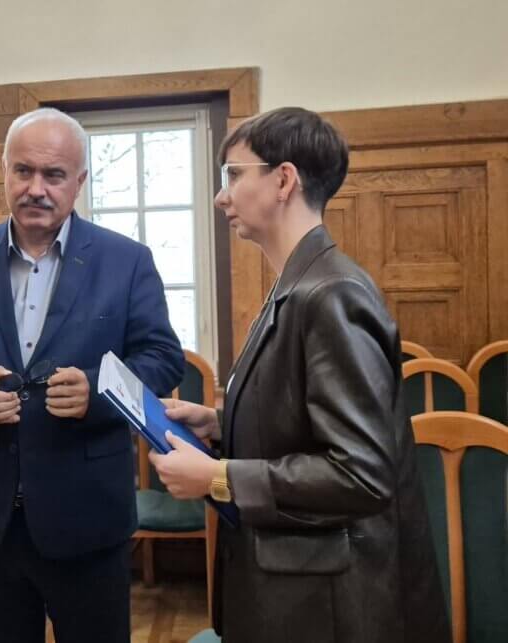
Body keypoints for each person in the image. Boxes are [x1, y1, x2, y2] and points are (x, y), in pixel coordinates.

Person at [149, 107, 450, 643]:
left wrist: (218, 477)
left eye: (234, 175)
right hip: (300, 586)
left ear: (284, 180)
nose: (221, 197)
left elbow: (359, 473)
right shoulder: (300, 282)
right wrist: (220, 423)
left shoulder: (331, 293)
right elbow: (305, 420)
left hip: (328, 605)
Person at [0, 107, 185, 643]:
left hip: (88, 519)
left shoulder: (126, 261)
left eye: (53, 175)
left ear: (79, 181)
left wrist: (99, 391)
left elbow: (162, 359)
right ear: (5, 171)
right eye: (23, 171)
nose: (35, 188)